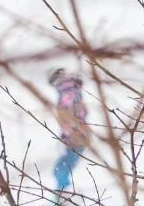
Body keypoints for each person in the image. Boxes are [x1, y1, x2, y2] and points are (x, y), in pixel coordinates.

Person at [48, 68, 89, 198]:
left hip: (76, 139)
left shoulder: (68, 92)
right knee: (59, 169)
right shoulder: (69, 92)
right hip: (74, 139)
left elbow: (79, 112)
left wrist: (71, 127)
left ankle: (64, 196)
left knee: (60, 169)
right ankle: (62, 194)